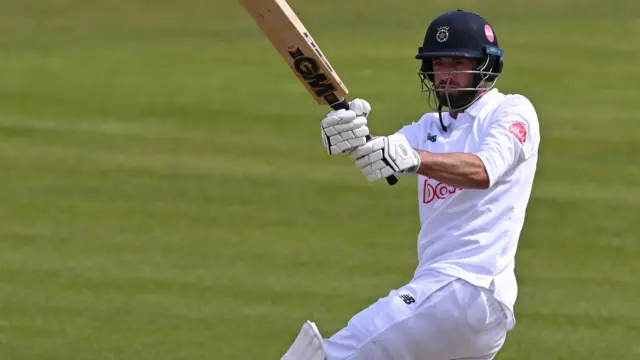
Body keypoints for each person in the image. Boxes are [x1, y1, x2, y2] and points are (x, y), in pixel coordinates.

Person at [281, 9, 540, 360]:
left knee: (323, 356)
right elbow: (384, 155)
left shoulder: (510, 112)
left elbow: (482, 171)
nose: (445, 75)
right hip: (461, 309)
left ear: (485, 65)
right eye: (438, 64)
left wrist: (416, 159)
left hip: (466, 287)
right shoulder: (429, 128)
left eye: (456, 63)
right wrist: (352, 135)